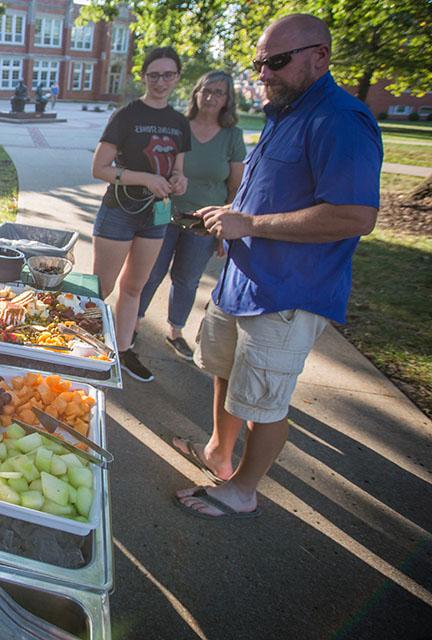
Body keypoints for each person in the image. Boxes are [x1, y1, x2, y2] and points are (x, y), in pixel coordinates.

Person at [174, 14, 381, 518]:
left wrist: (253, 225)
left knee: (264, 403)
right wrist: (227, 220)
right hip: (239, 281)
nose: (264, 73)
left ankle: (242, 490)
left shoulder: (339, 119)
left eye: (277, 62)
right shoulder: (283, 112)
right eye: (259, 62)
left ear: (319, 56)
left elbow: (355, 215)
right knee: (224, 375)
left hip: (287, 292)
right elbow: (260, 194)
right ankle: (219, 455)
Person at [90, 46, 190, 383]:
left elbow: (178, 169)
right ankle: (84, 346)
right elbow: (100, 168)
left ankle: (122, 349)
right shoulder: (127, 116)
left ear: (177, 77)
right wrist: (144, 178)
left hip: (156, 215)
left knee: (134, 287)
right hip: (119, 210)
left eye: (168, 75)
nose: (160, 82)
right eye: (153, 75)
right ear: (144, 76)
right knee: (99, 288)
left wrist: (178, 181)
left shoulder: (178, 123)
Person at [136, 70, 246, 361]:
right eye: (206, 90)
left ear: (227, 99)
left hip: (204, 221)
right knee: (151, 271)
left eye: (218, 92)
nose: (210, 97)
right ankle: (133, 324)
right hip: (165, 211)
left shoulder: (232, 136)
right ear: (196, 93)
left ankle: (175, 331)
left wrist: (227, 226)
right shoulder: (178, 126)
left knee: (187, 278)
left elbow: (236, 185)